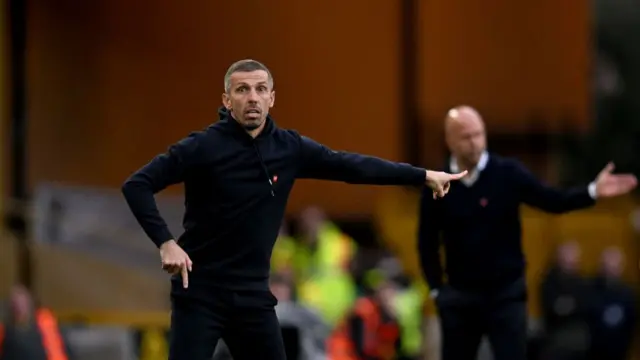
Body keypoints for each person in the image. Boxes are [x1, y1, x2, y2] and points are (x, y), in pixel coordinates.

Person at [121, 59, 467, 360]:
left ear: (272, 98)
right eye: (241, 90)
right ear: (227, 100)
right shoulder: (201, 147)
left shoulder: (289, 149)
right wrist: (166, 242)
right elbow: (137, 185)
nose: (252, 97)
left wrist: (422, 175)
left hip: (253, 297)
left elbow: (351, 166)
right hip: (199, 293)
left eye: (260, 89)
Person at [416, 105, 637, 360]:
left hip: (505, 295)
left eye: (479, 134)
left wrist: (591, 191)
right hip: (460, 296)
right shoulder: (438, 183)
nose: (475, 143)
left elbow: (551, 200)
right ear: (449, 140)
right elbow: (427, 242)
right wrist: (437, 290)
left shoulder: (507, 173)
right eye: (466, 136)